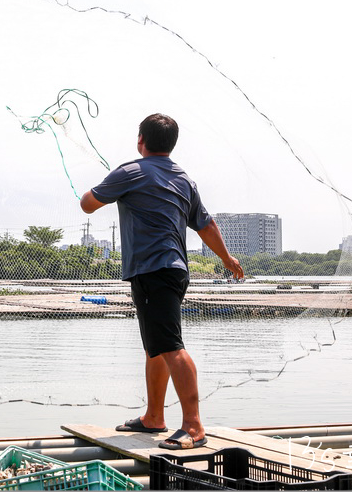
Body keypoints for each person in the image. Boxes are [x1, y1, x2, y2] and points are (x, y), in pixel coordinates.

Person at [80, 113, 243, 450]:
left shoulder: (130, 171)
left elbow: (87, 204)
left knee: (169, 345)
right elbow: (206, 225)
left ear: (141, 140)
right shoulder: (184, 180)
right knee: (156, 345)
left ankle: (194, 427)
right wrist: (227, 259)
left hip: (153, 270)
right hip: (172, 270)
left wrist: (98, 194)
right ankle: (154, 417)